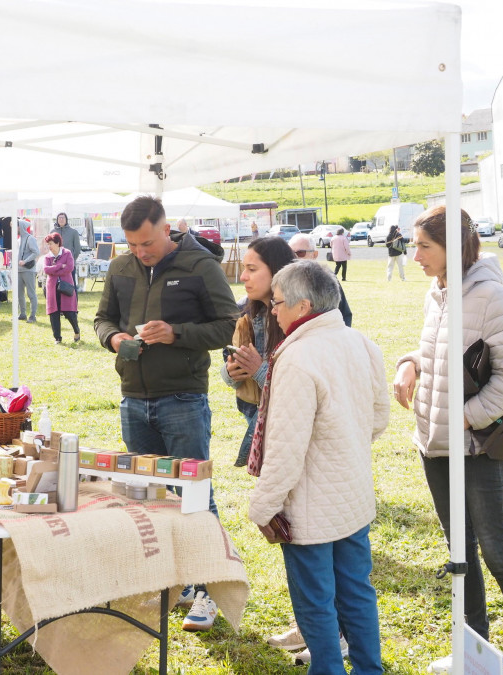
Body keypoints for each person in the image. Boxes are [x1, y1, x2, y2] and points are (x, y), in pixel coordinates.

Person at [393, 206, 503, 675]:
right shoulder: (437, 291)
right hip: (433, 445)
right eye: (415, 244)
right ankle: (476, 653)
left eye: (424, 245)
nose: (415, 254)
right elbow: (436, 350)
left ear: (454, 246)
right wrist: (409, 362)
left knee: (496, 548)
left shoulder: (490, 296)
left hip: (478, 447)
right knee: (458, 553)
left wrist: (464, 419)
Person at [94, 195, 238, 632]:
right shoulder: (120, 268)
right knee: (151, 495)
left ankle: (208, 591)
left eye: (147, 243)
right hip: (133, 398)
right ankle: (174, 585)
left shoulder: (199, 265)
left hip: (183, 399)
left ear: (165, 229)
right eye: (133, 245)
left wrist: (176, 333)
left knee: (195, 496)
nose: (141, 252)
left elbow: (228, 324)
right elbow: (102, 319)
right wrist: (114, 339)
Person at [249, 260, 389, 674]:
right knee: (357, 592)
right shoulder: (360, 342)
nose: (272, 310)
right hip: (353, 495)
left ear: (303, 305)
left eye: (277, 303)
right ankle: (368, 668)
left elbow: (285, 450)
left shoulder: (297, 358)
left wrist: (262, 507)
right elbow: (378, 418)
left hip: (310, 506)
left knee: (315, 602)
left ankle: (327, 669)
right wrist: (343, 443)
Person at [220, 236, 294, 467]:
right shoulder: (244, 309)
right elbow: (226, 365)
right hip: (257, 416)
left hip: (291, 424)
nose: (242, 277)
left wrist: (259, 370)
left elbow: (297, 389)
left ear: (277, 271)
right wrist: (231, 373)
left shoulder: (300, 315)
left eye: (252, 269)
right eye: (244, 269)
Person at [288, 234, 353, 327]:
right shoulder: (284, 281)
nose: (295, 258)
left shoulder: (326, 278)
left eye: (300, 253)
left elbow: (344, 313)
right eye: (291, 253)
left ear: (314, 255)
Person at [43, 233, 80, 344]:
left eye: (51, 244)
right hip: (52, 288)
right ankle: (57, 337)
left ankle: (77, 331)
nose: (49, 246)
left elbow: (69, 268)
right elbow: (46, 270)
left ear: (58, 243)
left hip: (66, 286)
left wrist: (54, 270)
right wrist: (59, 266)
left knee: (70, 312)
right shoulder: (47, 257)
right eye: (48, 244)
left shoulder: (67, 253)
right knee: (53, 312)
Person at [17, 219, 39, 323]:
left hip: (28, 270)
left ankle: (32, 315)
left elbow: (36, 252)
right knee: (19, 293)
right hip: (19, 270)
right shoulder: (18, 239)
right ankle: (22, 314)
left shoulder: (30, 238)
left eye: (15, 226)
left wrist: (25, 261)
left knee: (31, 293)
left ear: (20, 227)